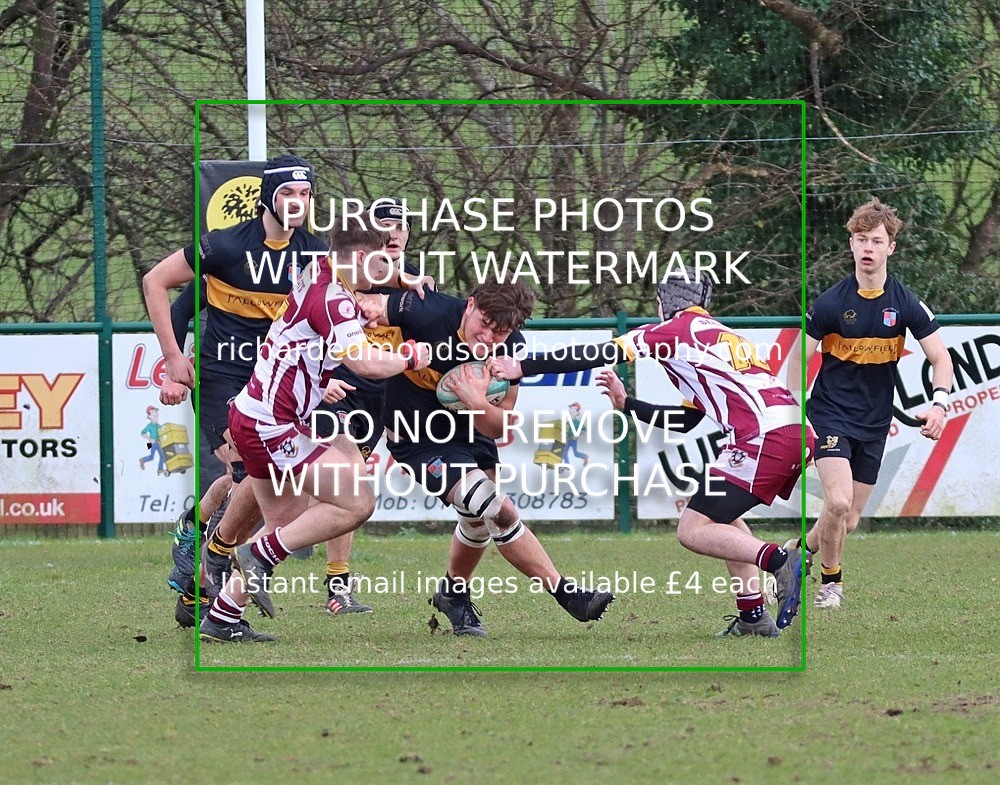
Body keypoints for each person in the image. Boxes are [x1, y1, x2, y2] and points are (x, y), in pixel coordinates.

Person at [489, 272, 810, 637]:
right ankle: (753, 617)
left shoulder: (672, 330)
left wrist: (522, 367)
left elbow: (598, 352)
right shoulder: (718, 335)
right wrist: (628, 403)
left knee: (692, 530)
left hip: (763, 437)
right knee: (720, 517)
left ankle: (780, 561)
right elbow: (687, 420)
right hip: (793, 432)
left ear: (665, 303)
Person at [200, 224, 432, 642]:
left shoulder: (318, 269)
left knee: (287, 523)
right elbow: (365, 365)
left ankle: (222, 617)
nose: (390, 268)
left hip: (255, 417)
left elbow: (311, 330)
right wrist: (410, 355)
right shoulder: (335, 300)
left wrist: (402, 279)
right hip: (273, 426)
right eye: (385, 260)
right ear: (362, 259)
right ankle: (252, 555)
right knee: (357, 501)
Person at [355, 280, 615, 638]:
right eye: (484, 324)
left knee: (476, 520)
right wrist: (370, 310)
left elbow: (498, 426)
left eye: (501, 331)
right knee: (496, 507)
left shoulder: (511, 350)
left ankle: (452, 594)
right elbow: (357, 304)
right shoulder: (426, 309)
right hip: (415, 436)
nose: (489, 337)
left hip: (471, 433)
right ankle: (566, 593)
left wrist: (476, 401)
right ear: (470, 304)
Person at [787, 197, 953, 610]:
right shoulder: (829, 303)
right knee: (838, 502)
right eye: (861, 239)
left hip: (874, 422)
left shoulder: (906, 303)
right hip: (828, 415)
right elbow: (795, 362)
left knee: (850, 519)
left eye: (876, 241)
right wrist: (797, 418)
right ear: (851, 245)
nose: (867, 247)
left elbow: (941, 358)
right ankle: (831, 583)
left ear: (890, 247)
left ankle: (795, 552)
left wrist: (940, 403)